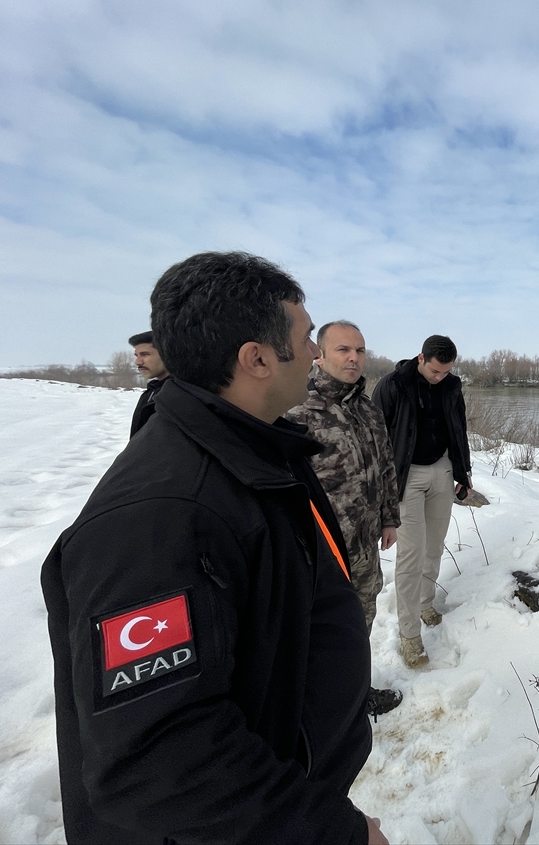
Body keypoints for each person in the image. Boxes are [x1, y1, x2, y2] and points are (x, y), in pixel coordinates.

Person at [42, 252, 389, 845]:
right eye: (307, 340)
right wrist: (330, 833)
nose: (313, 354)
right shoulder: (159, 517)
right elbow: (157, 761)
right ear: (255, 358)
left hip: (287, 777)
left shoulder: (256, 449)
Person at [288, 320, 404, 717]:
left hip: (365, 545)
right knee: (316, 633)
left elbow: (385, 465)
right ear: (319, 354)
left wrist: (390, 518)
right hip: (319, 551)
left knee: (360, 624)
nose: (353, 357)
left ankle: (356, 694)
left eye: (359, 350)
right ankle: (313, 708)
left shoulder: (367, 408)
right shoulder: (295, 407)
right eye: (343, 349)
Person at [372, 335, 472, 670]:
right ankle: (409, 635)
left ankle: (426, 603)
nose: (439, 377)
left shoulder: (452, 386)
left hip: (441, 471)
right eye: (434, 371)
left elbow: (459, 429)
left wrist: (463, 472)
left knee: (434, 547)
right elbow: (376, 437)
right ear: (420, 358)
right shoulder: (393, 385)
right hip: (407, 477)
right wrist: (383, 487)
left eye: (445, 372)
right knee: (411, 555)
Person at [127, 331, 170, 437]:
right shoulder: (151, 392)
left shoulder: (182, 395)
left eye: (145, 354)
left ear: (168, 353)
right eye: (137, 355)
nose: (137, 362)